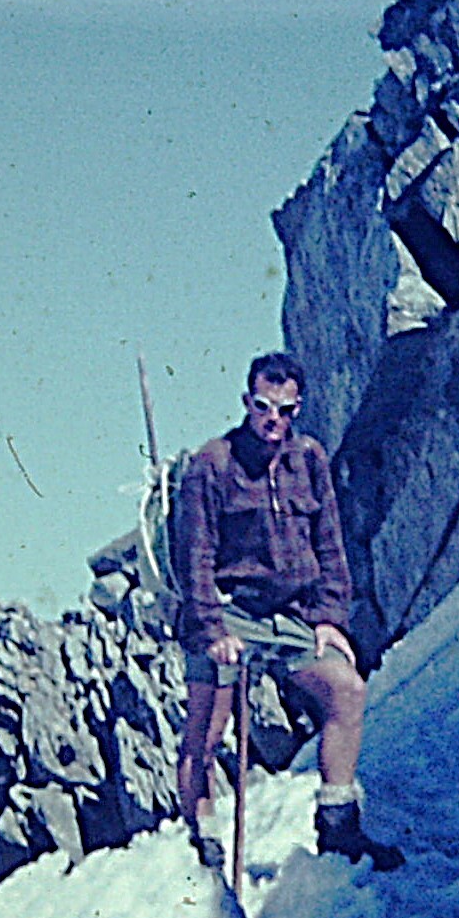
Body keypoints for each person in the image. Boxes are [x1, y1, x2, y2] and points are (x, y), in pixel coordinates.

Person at [174, 351, 404, 871]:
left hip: (293, 618)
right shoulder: (212, 464)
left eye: (285, 408)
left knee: (347, 690)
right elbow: (195, 557)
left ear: (298, 407)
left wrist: (329, 618)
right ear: (246, 403)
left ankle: (339, 828)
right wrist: (212, 630)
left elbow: (330, 543)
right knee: (207, 732)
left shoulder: (310, 459)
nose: (272, 418)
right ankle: (201, 841)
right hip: (228, 613)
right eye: (262, 406)